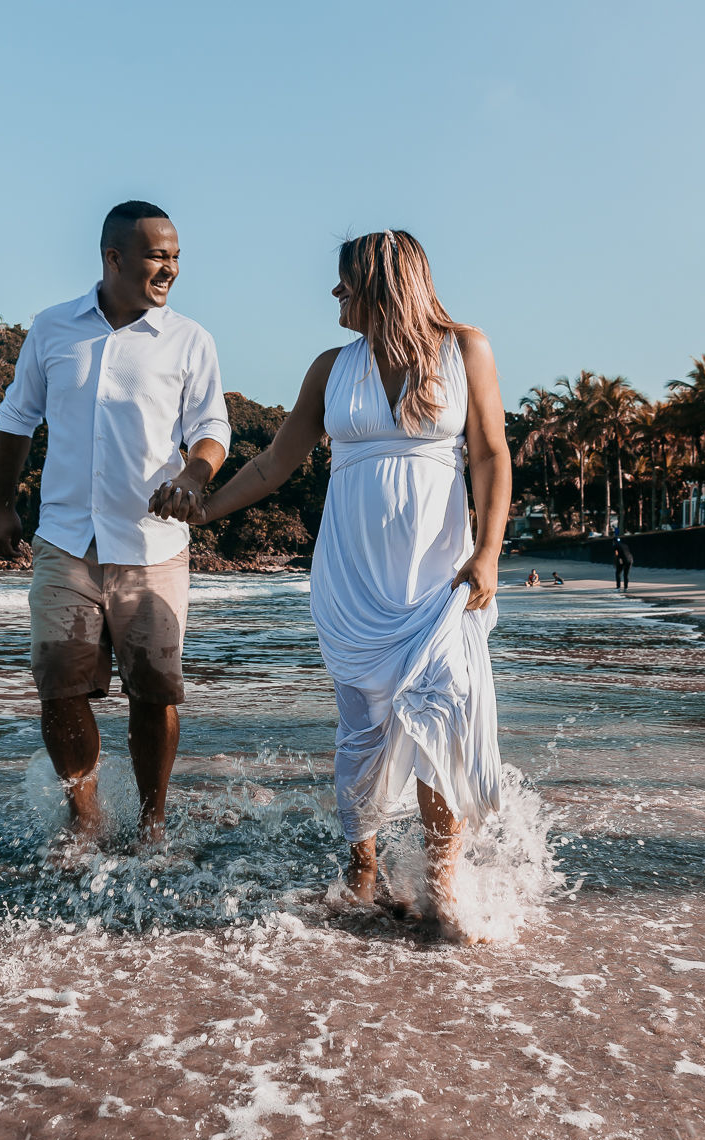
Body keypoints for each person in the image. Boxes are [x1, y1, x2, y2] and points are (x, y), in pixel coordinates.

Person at [175, 229, 510, 940]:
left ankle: (444, 883)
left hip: (437, 577)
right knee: (364, 726)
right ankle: (362, 863)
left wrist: (488, 550)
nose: (334, 292)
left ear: (383, 285)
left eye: (345, 280)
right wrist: (206, 509)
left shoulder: (466, 349)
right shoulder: (331, 368)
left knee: (440, 713)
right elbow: (273, 464)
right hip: (352, 581)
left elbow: (489, 454)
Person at [0, 200, 230, 848]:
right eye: (157, 256)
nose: (170, 269)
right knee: (59, 684)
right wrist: (2, 505)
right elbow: (17, 417)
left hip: (153, 544)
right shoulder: (53, 328)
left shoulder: (190, 339)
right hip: (65, 538)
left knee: (154, 693)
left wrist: (194, 476)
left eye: (175, 257)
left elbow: (212, 426)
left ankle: (152, 826)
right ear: (114, 258)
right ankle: (85, 819)